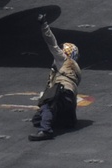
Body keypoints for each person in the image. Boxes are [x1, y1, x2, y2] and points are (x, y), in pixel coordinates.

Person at [29, 13, 81, 141]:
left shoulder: (63, 60)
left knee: (47, 105)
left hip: (61, 91)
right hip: (69, 99)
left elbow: (51, 43)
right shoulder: (75, 69)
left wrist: (44, 24)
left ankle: (45, 131)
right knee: (37, 119)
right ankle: (63, 121)